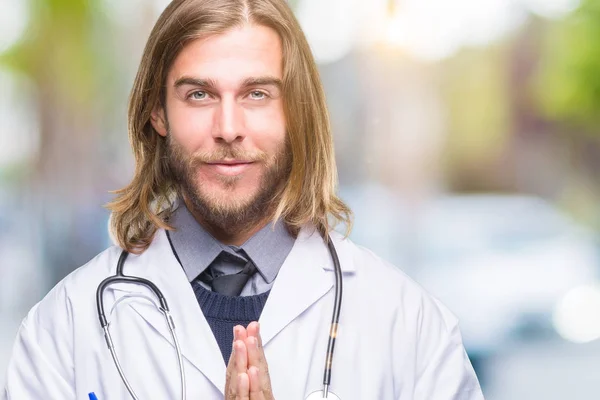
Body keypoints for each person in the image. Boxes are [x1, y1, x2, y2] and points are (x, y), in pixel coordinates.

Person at [2, 0, 484, 399]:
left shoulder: (411, 329)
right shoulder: (62, 333)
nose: (228, 128)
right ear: (157, 112)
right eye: (199, 95)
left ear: (296, 113)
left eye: (256, 94)